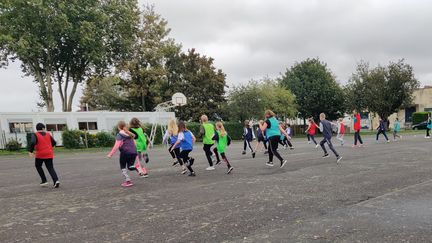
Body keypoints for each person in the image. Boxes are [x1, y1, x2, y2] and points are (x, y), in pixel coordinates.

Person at [108, 121, 141, 187]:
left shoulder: (120, 135)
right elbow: (134, 145)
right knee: (130, 166)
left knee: (123, 167)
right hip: (133, 152)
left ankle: (128, 181)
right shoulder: (130, 134)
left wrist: (110, 154)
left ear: (119, 127)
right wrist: (136, 154)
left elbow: (116, 146)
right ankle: (137, 167)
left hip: (125, 153)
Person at [28, 123, 60, 188]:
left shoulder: (35, 134)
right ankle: (56, 180)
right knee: (50, 167)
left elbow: (33, 142)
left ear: (37, 128)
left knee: (38, 166)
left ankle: (44, 181)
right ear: (43, 128)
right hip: (49, 153)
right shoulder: (48, 134)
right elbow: (54, 143)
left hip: (40, 154)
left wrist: (30, 151)